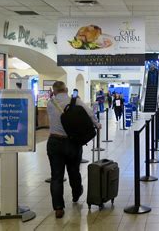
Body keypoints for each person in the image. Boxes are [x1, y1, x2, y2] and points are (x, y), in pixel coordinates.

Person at [47, 81, 101, 218]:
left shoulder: (50, 103)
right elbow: (89, 114)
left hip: (54, 141)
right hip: (72, 142)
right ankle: (76, 194)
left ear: (54, 91)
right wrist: (97, 124)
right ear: (66, 89)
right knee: (73, 171)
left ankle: (58, 208)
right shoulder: (75, 101)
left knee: (56, 176)